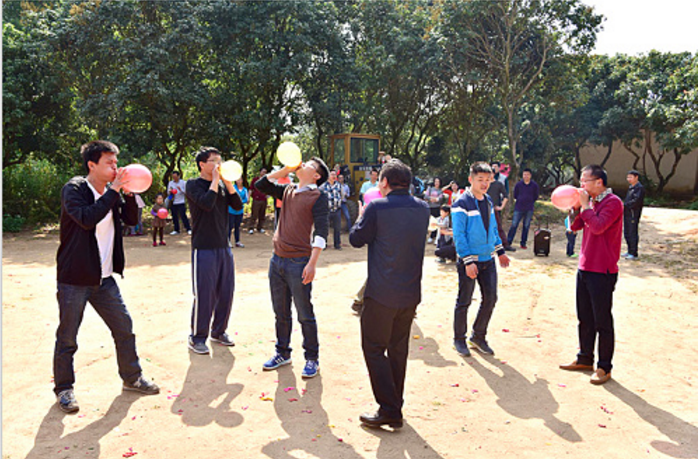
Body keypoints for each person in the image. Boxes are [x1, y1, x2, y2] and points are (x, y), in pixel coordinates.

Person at [54, 140, 159, 414]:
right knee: (68, 337)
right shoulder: (75, 189)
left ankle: (132, 377)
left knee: (124, 328)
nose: (116, 167)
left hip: (104, 279)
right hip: (74, 278)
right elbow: (87, 218)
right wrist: (113, 191)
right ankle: (64, 389)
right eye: (109, 163)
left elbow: (131, 219)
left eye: (116, 162)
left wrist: (130, 192)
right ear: (92, 165)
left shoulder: (113, 193)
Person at [349, 159, 430, 429]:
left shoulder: (376, 207)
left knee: (373, 348)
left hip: (382, 293)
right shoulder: (422, 208)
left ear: (383, 183)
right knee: (397, 350)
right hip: (409, 293)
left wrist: (362, 216)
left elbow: (356, 239)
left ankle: (389, 408)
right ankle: (395, 405)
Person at [254, 157, 330, 379]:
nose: (302, 164)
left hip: (299, 262)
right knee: (281, 312)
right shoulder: (288, 190)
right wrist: (285, 170)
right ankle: (282, 352)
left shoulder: (318, 196)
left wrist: (312, 263)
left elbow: (321, 232)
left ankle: (311, 358)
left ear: (316, 176)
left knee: (305, 313)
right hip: (277, 259)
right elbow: (262, 185)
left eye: (308, 165)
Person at [559, 164, 623, 385]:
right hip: (585, 267)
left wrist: (586, 205)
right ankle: (585, 358)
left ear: (599, 182)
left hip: (602, 270)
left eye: (585, 181)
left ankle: (604, 367)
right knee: (584, 317)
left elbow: (597, 227)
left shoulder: (613, 203)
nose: (581, 185)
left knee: (602, 320)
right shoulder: (591, 203)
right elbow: (575, 227)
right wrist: (576, 207)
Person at [185, 147, 243, 355]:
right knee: (204, 294)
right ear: (202, 164)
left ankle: (219, 331)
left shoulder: (221, 185)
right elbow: (207, 204)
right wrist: (215, 181)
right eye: (214, 161)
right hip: (204, 247)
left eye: (221, 160)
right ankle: (197, 337)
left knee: (226, 292)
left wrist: (228, 183)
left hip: (223, 246)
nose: (219, 164)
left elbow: (237, 205)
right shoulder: (193, 185)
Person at [451, 162, 510, 357]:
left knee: (491, 298)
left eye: (488, 180)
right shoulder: (461, 203)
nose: (484, 184)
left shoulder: (489, 201)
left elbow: (493, 228)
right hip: (470, 261)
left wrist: (500, 251)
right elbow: (459, 236)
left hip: (488, 259)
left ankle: (478, 336)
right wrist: (467, 261)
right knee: (464, 301)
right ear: (471, 180)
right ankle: (459, 339)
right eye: (480, 180)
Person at [507, 168, 539, 250]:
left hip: (529, 208)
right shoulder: (518, 185)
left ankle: (523, 243)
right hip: (519, 207)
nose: (526, 176)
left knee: (526, 225)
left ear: (530, 175)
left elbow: (536, 196)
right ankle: (508, 242)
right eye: (524, 174)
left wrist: (530, 201)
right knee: (514, 224)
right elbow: (515, 195)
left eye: (527, 174)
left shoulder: (534, 185)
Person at [488, 163, 515, 252]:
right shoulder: (484, 185)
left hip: (494, 209)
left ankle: (505, 244)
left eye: (491, 173)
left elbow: (506, 196)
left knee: (498, 227)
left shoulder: (498, 184)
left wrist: (501, 207)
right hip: (484, 208)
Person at [623, 170, 645, 260]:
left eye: (631, 177)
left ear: (636, 177)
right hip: (627, 213)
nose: (629, 179)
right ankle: (629, 250)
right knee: (627, 232)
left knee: (632, 232)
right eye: (628, 177)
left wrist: (626, 205)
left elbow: (636, 201)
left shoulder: (639, 188)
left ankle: (633, 252)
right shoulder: (631, 187)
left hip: (633, 213)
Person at [320, 170, 343, 250]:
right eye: (332, 174)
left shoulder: (339, 185)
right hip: (327, 210)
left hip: (337, 210)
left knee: (337, 228)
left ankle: (337, 245)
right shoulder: (323, 186)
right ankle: (324, 245)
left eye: (334, 174)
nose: (334, 176)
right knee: (325, 228)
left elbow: (341, 195)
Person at [167, 171, 192, 235]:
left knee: (183, 215)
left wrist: (180, 189)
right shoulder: (170, 183)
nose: (174, 178)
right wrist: (170, 191)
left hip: (181, 201)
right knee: (174, 216)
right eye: (173, 177)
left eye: (175, 177)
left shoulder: (183, 183)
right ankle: (176, 229)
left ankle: (188, 229)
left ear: (179, 176)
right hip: (173, 201)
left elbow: (187, 192)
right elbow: (168, 192)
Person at [228, 177, 248, 248]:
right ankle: (228, 241)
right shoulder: (232, 188)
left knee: (237, 226)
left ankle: (237, 241)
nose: (239, 181)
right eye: (237, 179)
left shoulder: (245, 190)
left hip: (240, 211)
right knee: (230, 226)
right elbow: (230, 198)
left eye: (240, 179)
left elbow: (246, 199)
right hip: (231, 210)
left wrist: (239, 202)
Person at [424, 177, 445, 243]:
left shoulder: (440, 190)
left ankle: (433, 236)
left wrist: (435, 199)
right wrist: (431, 198)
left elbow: (440, 198)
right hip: (430, 207)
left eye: (438, 182)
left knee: (435, 222)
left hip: (437, 208)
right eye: (436, 181)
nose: (437, 183)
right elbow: (425, 196)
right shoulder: (430, 189)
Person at [249, 167, 268, 234]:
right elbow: (251, 189)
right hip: (256, 199)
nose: (264, 173)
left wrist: (268, 195)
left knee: (262, 214)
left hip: (264, 199)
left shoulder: (267, 181)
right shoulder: (255, 180)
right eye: (263, 172)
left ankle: (260, 227)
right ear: (260, 172)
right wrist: (248, 198)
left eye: (265, 172)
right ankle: (251, 228)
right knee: (254, 214)